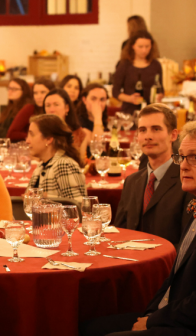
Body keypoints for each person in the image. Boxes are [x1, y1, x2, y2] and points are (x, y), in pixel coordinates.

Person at [79, 121, 196, 336]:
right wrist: (150, 314)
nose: (184, 165)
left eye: (194, 158)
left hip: (186, 325)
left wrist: (153, 321)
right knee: (85, 326)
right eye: (181, 157)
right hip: (170, 314)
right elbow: (173, 279)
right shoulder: (194, 206)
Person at [113, 104, 193, 247]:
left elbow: (187, 245)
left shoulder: (187, 180)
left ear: (173, 135)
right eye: (142, 130)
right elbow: (120, 233)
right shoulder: (132, 181)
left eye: (156, 129)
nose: (148, 136)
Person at [26, 114, 87, 203]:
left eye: (32, 135)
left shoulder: (64, 165)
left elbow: (78, 206)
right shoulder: (40, 167)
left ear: (49, 139)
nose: (27, 141)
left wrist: (46, 199)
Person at [113, 30, 163, 114]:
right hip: (130, 111)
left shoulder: (156, 65)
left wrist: (160, 96)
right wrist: (130, 98)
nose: (144, 50)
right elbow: (115, 91)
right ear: (133, 46)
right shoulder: (124, 65)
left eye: (147, 46)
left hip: (151, 110)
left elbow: (161, 88)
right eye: (140, 46)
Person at [44, 89, 91, 163]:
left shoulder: (78, 133)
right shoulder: (40, 131)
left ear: (67, 108)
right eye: (48, 105)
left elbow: (81, 163)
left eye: (56, 104)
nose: (51, 110)